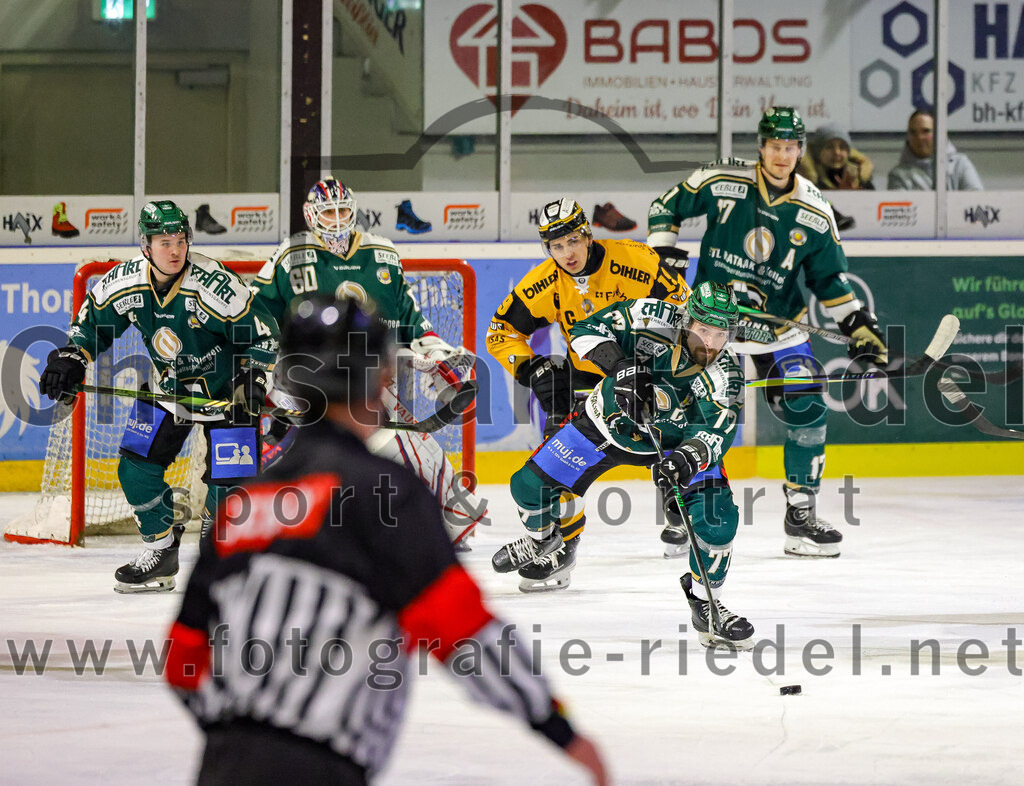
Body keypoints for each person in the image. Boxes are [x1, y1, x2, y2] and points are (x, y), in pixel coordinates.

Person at [164, 295, 608, 785]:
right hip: (321, 769)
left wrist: (239, 737)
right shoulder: (385, 490)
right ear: (378, 381)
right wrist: (558, 728)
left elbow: (183, 657)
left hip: (220, 764)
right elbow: (463, 633)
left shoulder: (242, 504)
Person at [648, 106, 889, 559]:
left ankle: (801, 513)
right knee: (696, 419)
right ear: (760, 147)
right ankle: (687, 511)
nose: (782, 155)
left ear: (800, 150)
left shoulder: (815, 210)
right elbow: (666, 206)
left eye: (790, 147)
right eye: (774, 146)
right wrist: (664, 256)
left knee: (808, 406)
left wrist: (858, 323)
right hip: (710, 327)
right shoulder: (724, 180)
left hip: (778, 328)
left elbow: (829, 280)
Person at [490, 283, 754, 647]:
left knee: (718, 522)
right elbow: (585, 330)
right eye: (703, 330)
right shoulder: (651, 316)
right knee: (527, 487)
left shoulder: (726, 375)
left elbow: (716, 433)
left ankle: (706, 603)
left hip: (672, 447)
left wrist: (682, 461)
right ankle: (544, 541)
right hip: (605, 425)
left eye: (721, 334)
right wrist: (620, 364)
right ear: (686, 318)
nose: (710, 343)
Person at [38, 200, 279, 592]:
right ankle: (161, 550)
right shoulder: (125, 282)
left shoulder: (216, 285)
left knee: (229, 486)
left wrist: (252, 379)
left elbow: (265, 335)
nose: (174, 250)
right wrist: (71, 357)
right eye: (164, 241)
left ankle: (220, 559)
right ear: (146, 245)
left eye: (181, 240)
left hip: (227, 394)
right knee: (135, 469)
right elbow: (90, 328)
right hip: (169, 389)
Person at [251, 175, 487, 550]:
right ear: (311, 216)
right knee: (307, 454)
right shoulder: (291, 255)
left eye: (343, 210)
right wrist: (263, 370)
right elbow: (255, 315)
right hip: (308, 383)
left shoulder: (382, 254)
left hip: (368, 380)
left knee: (417, 451)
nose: (338, 219)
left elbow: (411, 321)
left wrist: (438, 354)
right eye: (328, 212)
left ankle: (445, 527)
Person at [486, 198, 691, 569]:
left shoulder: (636, 261)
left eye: (572, 242)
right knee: (558, 461)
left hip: (647, 375)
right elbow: (501, 333)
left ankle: (680, 515)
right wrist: (532, 369)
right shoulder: (545, 283)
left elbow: (684, 311)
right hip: (588, 378)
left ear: (588, 235)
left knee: (677, 457)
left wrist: (655, 361)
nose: (567, 254)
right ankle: (563, 546)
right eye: (556, 246)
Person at [887, 109, 983, 190]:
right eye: (913, 132)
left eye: (926, 131)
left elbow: (976, 202)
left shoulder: (960, 164)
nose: (919, 137)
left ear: (939, 133)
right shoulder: (897, 175)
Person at [798, 124, 875, 190]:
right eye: (829, 147)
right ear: (818, 152)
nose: (837, 152)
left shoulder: (861, 181)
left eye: (842, 147)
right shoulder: (803, 182)